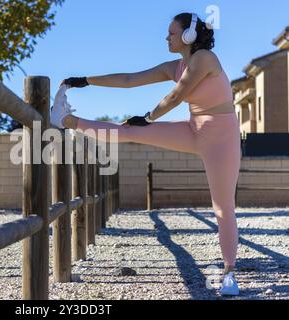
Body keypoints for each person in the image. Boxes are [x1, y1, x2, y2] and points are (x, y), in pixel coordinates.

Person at [50, 12, 241, 296]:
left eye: (172, 33)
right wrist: (86, 80)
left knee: (223, 208)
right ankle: (67, 121)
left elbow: (177, 95)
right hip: (193, 127)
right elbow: (129, 79)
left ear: (188, 36)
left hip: (222, 137)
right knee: (129, 130)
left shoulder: (205, 59)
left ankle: (229, 274)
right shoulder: (173, 66)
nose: (167, 37)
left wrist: (149, 117)